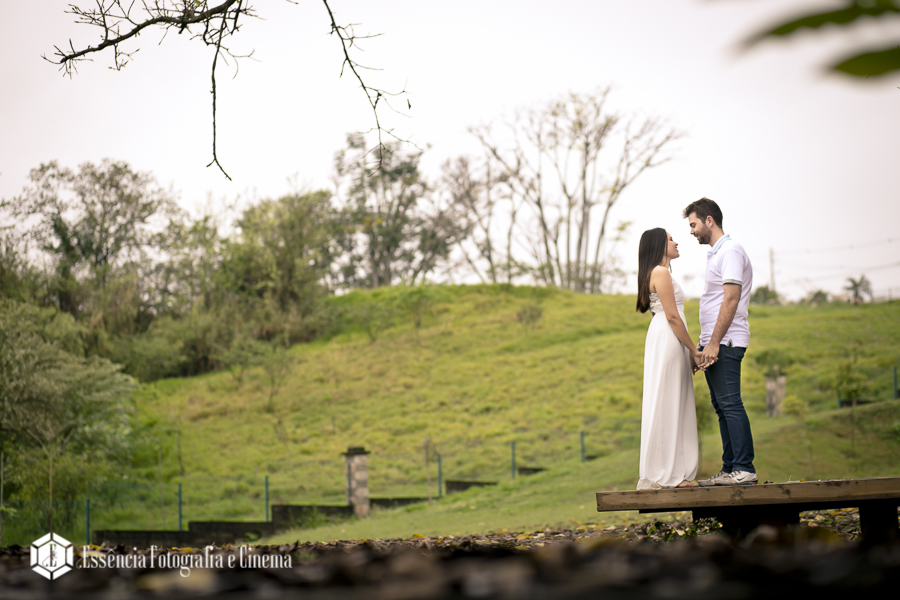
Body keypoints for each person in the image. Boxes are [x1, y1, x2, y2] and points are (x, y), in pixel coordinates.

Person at [683, 198, 758, 486]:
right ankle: (730, 469)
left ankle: (743, 468)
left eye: (693, 224)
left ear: (709, 220)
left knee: (730, 403)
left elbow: (731, 298)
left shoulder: (730, 250)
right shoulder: (717, 254)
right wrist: (702, 346)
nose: (691, 231)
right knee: (721, 406)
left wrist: (714, 343)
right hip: (714, 342)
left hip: (725, 342)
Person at [635, 228, 702, 489]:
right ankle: (669, 474)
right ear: (659, 245)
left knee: (672, 398)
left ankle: (674, 471)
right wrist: (694, 350)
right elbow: (672, 317)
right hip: (668, 337)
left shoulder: (661, 272)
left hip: (667, 338)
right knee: (669, 399)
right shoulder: (660, 272)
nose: (676, 242)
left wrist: (687, 350)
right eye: (670, 238)